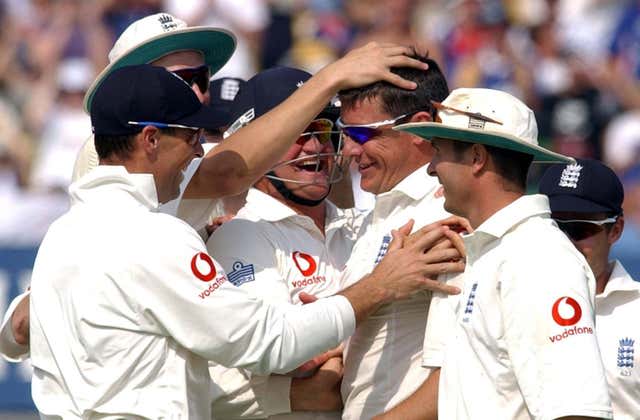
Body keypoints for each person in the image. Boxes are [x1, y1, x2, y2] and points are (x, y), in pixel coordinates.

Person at [29, 63, 465, 419]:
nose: (200, 154)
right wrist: (378, 288)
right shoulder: (157, 236)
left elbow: (16, 332)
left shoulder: (60, 237)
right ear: (150, 139)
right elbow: (270, 344)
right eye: (193, 138)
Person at [0, 12, 428, 362]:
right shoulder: (105, 152)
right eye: (183, 79)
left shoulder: (168, 178)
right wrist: (330, 78)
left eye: (203, 77)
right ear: (135, 97)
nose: (201, 94)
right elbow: (229, 174)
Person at [398, 87, 613, 419]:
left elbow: (576, 410)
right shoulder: (500, 251)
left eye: (438, 151)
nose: (431, 167)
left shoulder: (538, 258)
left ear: (477, 158)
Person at [206, 66, 353, 419]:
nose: (316, 147)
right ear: (260, 145)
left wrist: (323, 331)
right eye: (298, 134)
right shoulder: (239, 233)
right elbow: (293, 357)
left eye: (323, 131)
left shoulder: (362, 225)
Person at [335, 53, 464, 420]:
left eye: (361, 134)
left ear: (420, 127)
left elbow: (469, 362)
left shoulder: (446, 213)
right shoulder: (379, 213)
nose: (350, 151)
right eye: (345, 134)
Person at [539, 158, 639, 419]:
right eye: (555, 228)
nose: (566, 243)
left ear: (615, 230)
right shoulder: (507, 300)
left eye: (580, 229)